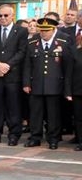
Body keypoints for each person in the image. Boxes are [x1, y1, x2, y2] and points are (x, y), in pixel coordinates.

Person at [23, 17, 73, 149]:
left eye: (47, 30)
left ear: (53, 30)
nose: (43, 33)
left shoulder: (63, 41)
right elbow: (27, 65)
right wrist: (26, 83)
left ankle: (53, 138)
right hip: (36, 83)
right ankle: (35, 137)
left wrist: (66, 86)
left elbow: (67, 66)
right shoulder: (32, 42)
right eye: (41, 30)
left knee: (53, 114)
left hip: (55, 84)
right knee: (35, 113)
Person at [0, 4, 27, 146]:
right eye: (0, 16)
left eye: (5, 15)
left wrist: (7, 66)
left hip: (13, 76)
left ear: (12, 16)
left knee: (13, 107)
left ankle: (14, 134)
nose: (2, 18)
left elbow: (22, 52)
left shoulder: (21, 31)